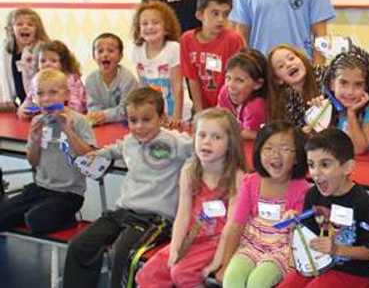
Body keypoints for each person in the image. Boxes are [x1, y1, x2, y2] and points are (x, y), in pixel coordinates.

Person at [63, 87, 194, 288]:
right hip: (123, 211)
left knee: (121, 254)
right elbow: (117, 148)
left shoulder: (175, 141)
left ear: (161, 118)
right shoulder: (130, 141)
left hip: (155, 219)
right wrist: (98, 154)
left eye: (146, 120)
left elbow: (200, 147)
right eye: (133, 120)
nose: (139, 127)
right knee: (79, 245)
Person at [136, 108, 246, 288]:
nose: (207, 142)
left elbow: (231, 228)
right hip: (193, 237)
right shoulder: (189, 172)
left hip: (217, 240)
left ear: (230, 144)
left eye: (216, 137)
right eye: (202, 135)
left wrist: (217, 262)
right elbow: (182, 216)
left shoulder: (237, 177)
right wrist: (175, 249)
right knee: (148, 273)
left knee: (182, 273)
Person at [277, 128, 369, 287]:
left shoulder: (364, 204)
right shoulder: (312, 195)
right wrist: (296, 223)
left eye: (325, 164)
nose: (316, 173)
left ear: (348, 167)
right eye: (311, 165)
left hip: (351, 272)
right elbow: (309, 237)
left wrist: (337, 249)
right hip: (317, 264)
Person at [209, 122, 310, 287]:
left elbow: (299, 235)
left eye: (285, 149)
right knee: (232, 279)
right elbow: (236, 225)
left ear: (298, 157)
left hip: (282, 249)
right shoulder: (251, 182)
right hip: (251, 244)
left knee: (258, 282)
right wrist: (225, 263)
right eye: (268, 148)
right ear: (259, 152)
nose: (275, 155)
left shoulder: (302, 189)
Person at [0, 69, 95, 234]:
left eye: (53, 92)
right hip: (40, 188)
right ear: (35, 98)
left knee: (36, 221)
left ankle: (67, 219)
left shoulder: (79, 120)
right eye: (40, 94)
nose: (46, 99)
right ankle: (34, 210)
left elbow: (88, 157)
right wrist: (35, 139)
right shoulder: (38, 121)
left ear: (66, 95)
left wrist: (68, 131)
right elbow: (33, 161)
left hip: (69, 194)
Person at [180, 0, 245, 111]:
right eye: (215, 13)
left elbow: (239, 78)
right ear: (199, 15)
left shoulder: (233, 40)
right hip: (203, 108)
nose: (221, 19)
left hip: (229, 108)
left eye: (225, 14)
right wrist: (199, 111)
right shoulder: (187, 40)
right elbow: (192, 79)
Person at [130, 0, 189, 126]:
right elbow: (143, 86)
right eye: (144, 24)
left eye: (155, 23)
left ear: (166, 27)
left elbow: (177, 87)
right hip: (156, 115)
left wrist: (176, 117)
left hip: (177, 112)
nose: (150, 27)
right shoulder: (137, 50)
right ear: (138, 29)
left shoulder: (173, 48)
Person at [18, 40, 87, 117]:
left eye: (53, 61)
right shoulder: (37, 80)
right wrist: (24, 110)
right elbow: (28, 101)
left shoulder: (70, 79)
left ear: (63, 63)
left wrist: (57, 110)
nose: (47, 64)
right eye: (43, 61)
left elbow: (77, 107)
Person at [85, 33, 139, 125]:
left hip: (126, 124)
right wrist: (95, 115)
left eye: (110, 50)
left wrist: (105, 115)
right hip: (101, 124)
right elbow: (93, 105)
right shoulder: (91, 80)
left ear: (120, 56)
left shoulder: (128, 79)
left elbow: (126, 109)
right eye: (100, 51)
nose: (105, 54)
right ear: (94, 56)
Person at [0, 8, 49, 108]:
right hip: (21, 103)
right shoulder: (7, 50)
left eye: (30, 25)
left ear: (37, 30)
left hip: (40, 102)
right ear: (11, 29)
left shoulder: (42, 49)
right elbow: (6, 78)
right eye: (19, 24)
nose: (25, 27)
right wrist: (8, 99)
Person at [267, 44, 323, 128]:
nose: (288, 64)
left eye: (291, 58)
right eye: (281, 66)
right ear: (278, 79)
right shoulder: (285, 100)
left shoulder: (324, 76)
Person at [217, 49, 268, 140]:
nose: (231, 85)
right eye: (228, 78)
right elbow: (220, 118)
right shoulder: (225, 91)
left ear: (258, 84)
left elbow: (250, 135)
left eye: (239, 80)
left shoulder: (256, 106)